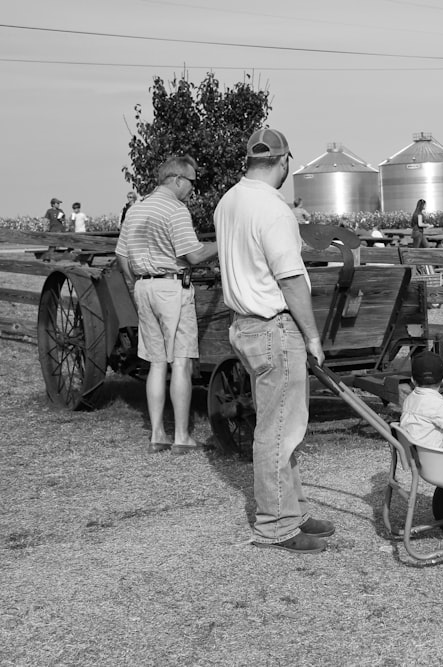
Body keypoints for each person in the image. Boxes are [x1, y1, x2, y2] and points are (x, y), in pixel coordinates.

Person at [214, 127, 335, 555]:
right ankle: (276, 525)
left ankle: (295, 510)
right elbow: (291, 281)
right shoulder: (273, 209)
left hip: (244, 326)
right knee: (278, 429)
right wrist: (313, 336)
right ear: (284, 161)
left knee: (283, 424)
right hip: (272, 326)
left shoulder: (228, 201)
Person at [115, 155, 217, 455]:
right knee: (181, 362)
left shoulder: (136, 209)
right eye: (192, 183)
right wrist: (223, 242)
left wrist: (135, 283)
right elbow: (194, 255)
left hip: (143, 286)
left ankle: (157, 433)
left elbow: (122, 255)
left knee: (156, 363)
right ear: (177, 179)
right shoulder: (175, 209)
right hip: (171, 287)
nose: (192, 190)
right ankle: (182, 436)